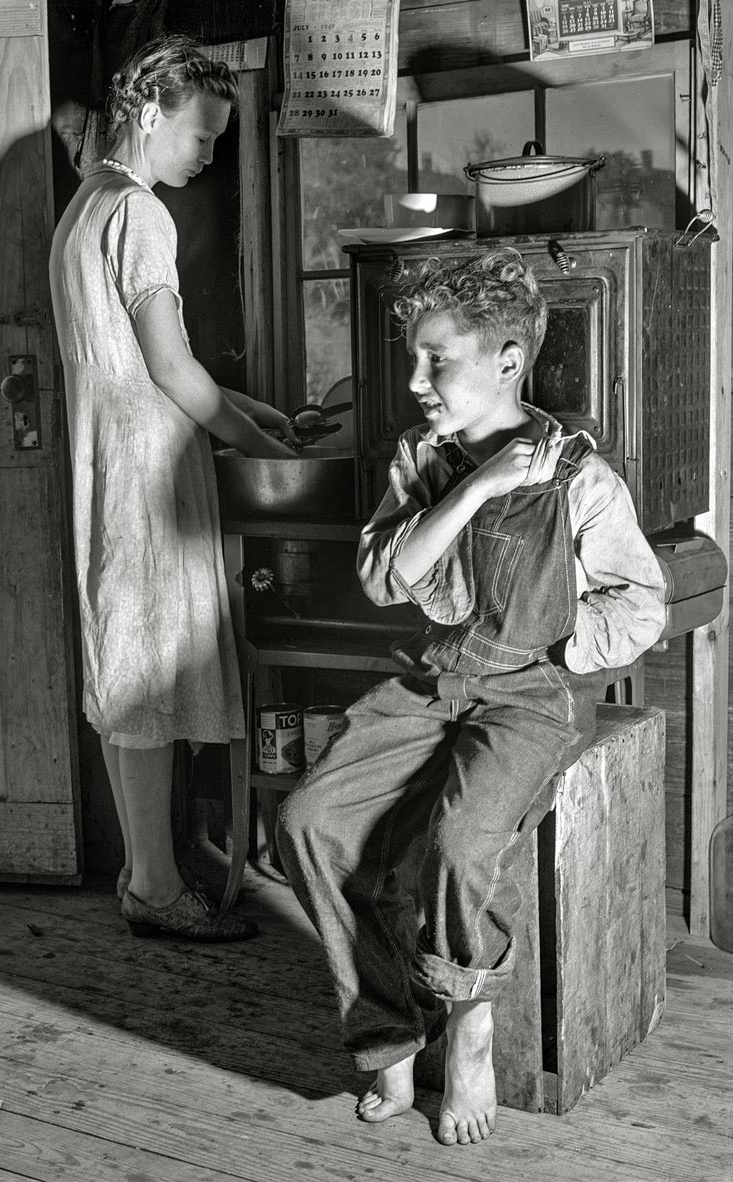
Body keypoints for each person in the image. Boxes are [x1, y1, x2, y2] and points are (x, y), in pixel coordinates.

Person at [276, 248, 666, 1145]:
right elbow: (386, 578)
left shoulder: (580, 478)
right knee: (307, 820)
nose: (416, 378)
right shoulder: (423, 458)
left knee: (459, 845)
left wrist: (564, 643)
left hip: (528, 694)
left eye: (435, 359)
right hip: (429, 680)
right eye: (414, 356)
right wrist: (485, 484)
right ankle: (388, 1033)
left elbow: (640, 602)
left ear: (506, 360)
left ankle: (469, 1020)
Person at [49, 34, 296, 943]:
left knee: (130, 674)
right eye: (202, 135)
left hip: (110, 459)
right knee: (150, 674)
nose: (207, 154)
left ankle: (142, 872)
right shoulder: (140, 213)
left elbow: (161, 364)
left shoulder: (88, 204)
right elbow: (170, 366)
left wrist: (263, 413)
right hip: (150, 473)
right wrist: (263, 448)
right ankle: (155, 888)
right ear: (150, 115)